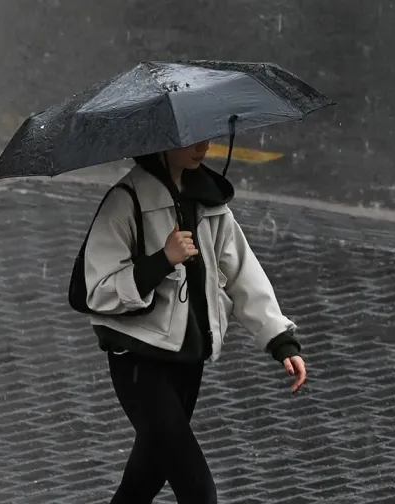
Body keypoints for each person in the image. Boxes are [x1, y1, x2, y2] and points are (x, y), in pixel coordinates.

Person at [82, 139, 306, 503]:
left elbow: (241, 273)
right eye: (190, 139)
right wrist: (162, 260)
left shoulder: (209, 200)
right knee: (198, 490)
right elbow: (98, 290)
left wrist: (279, 338)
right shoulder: (127, 200)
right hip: (140, 363)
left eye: (207, 134)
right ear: (162, 142)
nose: (203, 146)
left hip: (188, 361)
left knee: (144, 480)